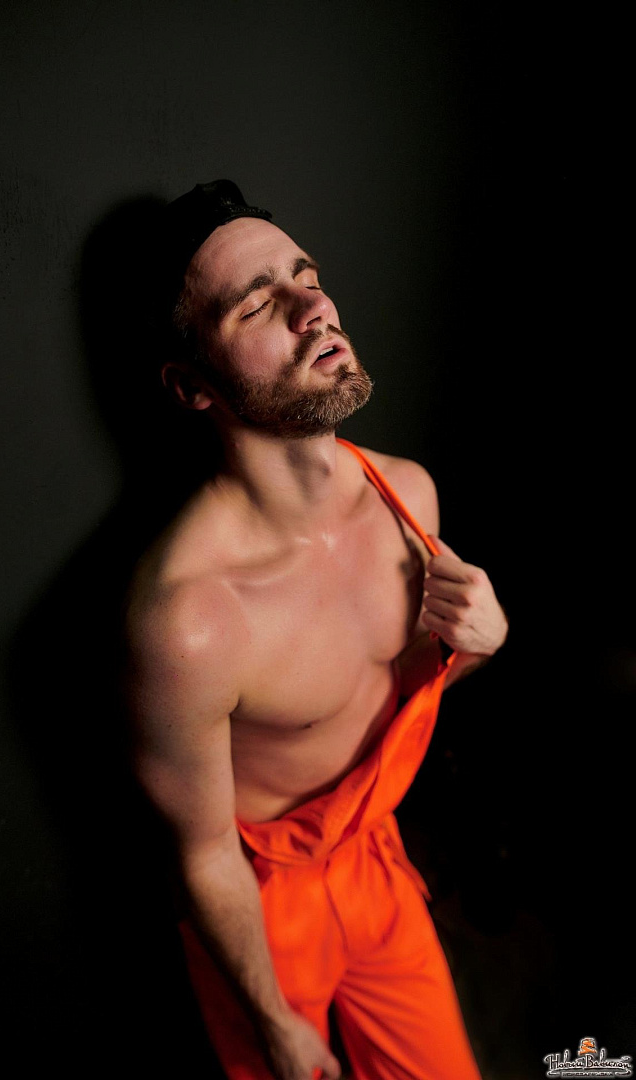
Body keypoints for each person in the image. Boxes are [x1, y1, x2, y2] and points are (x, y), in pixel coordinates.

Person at [124, 181, 508, 1080]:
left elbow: (384, 698)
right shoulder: (192, 619)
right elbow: (202, 851)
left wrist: (474, 649)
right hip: (261, 915)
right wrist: (274, 1023)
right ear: (192, 387)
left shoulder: (408, 499)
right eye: (259, 304)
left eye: (308, 277)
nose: (314, 308)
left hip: (376, 861)